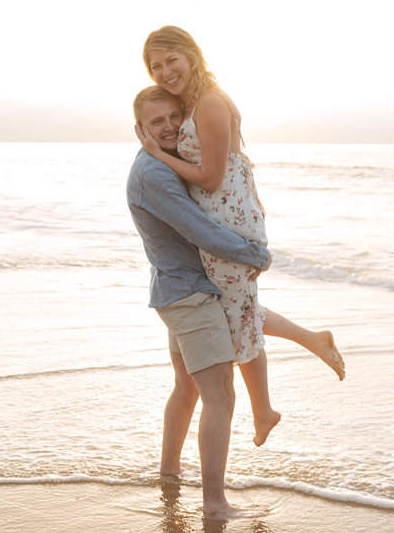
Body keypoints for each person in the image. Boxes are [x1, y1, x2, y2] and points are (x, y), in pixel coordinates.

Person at [136, 26, 345, 445]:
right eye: (155, 66)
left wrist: (158, 155)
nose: (164, 71)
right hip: (222, 220)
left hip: (228, 222)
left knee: (236, 314)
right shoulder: (192, 101)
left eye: (171, 60)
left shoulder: (210, 102)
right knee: (238, 309)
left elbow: (211, 179)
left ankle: (264, 409)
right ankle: (308, 343)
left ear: (191, 56)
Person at [127, 85, 272, 519]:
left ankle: (169, 472)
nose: (169, 126)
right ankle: (214, 503)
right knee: (220, 395)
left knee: (187, 388)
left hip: (175, 289)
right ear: (140, 129)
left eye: (174, 117)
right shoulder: (153, 174)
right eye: (157, 122)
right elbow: (200, 230)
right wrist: (256, 254)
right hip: (190, 294)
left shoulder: (157, 163)